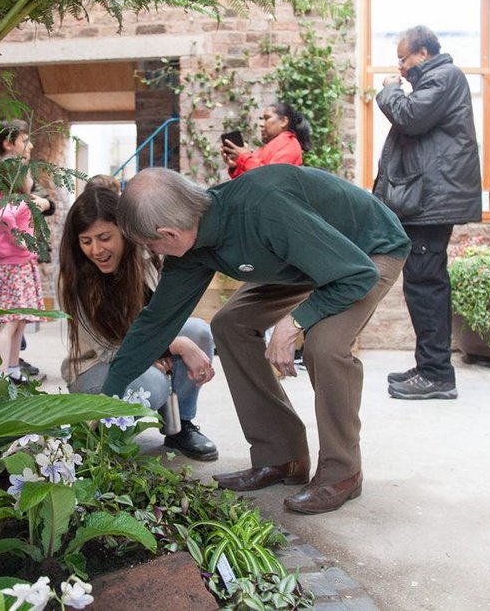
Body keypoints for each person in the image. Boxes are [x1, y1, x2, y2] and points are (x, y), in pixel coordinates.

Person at [103, 165, 410, 514]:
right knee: (231, 325)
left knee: (324, 345)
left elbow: (357, 274)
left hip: (365, 252)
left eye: (149, 245)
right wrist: (104, 400)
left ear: (168, 233)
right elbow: (155, 322)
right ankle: (282, 457)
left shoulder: (265, 209)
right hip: (300, 259)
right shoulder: (192, 246)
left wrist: (294, 322)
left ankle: (343, 472)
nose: (152, 253)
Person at [58, 185, 218, 461]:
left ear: (123, 230)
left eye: (104, 237)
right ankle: (103, 439)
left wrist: (160, 347)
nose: (96, 250)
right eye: (86, 241)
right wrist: (164, 348)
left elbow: (162, 317)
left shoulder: (145, 258)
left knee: (198, 332)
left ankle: (180, 426)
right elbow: (104, 349)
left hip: (136, 353)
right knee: (153, 383)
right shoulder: (72, 279)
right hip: (96, 370)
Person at [374, 25, 482, 401]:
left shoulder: (444, 77)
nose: (400, 66)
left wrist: (389, 90)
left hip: (433, 203)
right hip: (428, 200)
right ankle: (429, 366)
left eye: (403, 58)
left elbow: (409, 117)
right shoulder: (434, 80)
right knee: (422, 283)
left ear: (422, 53)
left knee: (426, 285)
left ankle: (437, 374)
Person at [0, 119, 54, 379]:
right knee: (10, 322)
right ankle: (1, 373)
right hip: (12, 264)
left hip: (21, 263)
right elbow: (6, 217)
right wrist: (21, 237)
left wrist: (41, 202)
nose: (30, 145)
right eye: (25, 140)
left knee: (18, 321)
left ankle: (12, 368)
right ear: (9, 143)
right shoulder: (3, 185)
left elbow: (47, 203)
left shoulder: (15, 189)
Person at [221, 101, 311, 179]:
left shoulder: (290, 144)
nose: (261, 124)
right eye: (261, 119)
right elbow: (251, 181)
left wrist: (243, 156)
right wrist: (235, 165)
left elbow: (270, 177)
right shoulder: (266, 147)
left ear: (284, 122)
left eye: (267, 118)